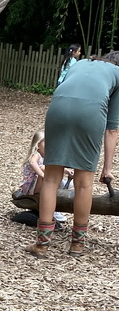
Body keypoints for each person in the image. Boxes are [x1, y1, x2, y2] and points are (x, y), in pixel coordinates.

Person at [27, 51, 119, 258]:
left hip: (57, 109)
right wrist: (107, 168)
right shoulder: (118, 74)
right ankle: (77, 245)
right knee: (84, 184)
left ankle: (42, 244)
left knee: (51, 180)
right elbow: (112, 129)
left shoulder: (81, 63)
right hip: (90, 115)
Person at [15, 129, 69, 227]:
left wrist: (66, 170)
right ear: (37, 145)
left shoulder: (46, 156)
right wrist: (42, 174)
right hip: (31, 186)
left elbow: (54, 166)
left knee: (52, 169)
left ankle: (59, 191)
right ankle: (53, 210)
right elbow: (32, 163)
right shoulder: (36, 154)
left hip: (40, 183)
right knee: (44, 169)